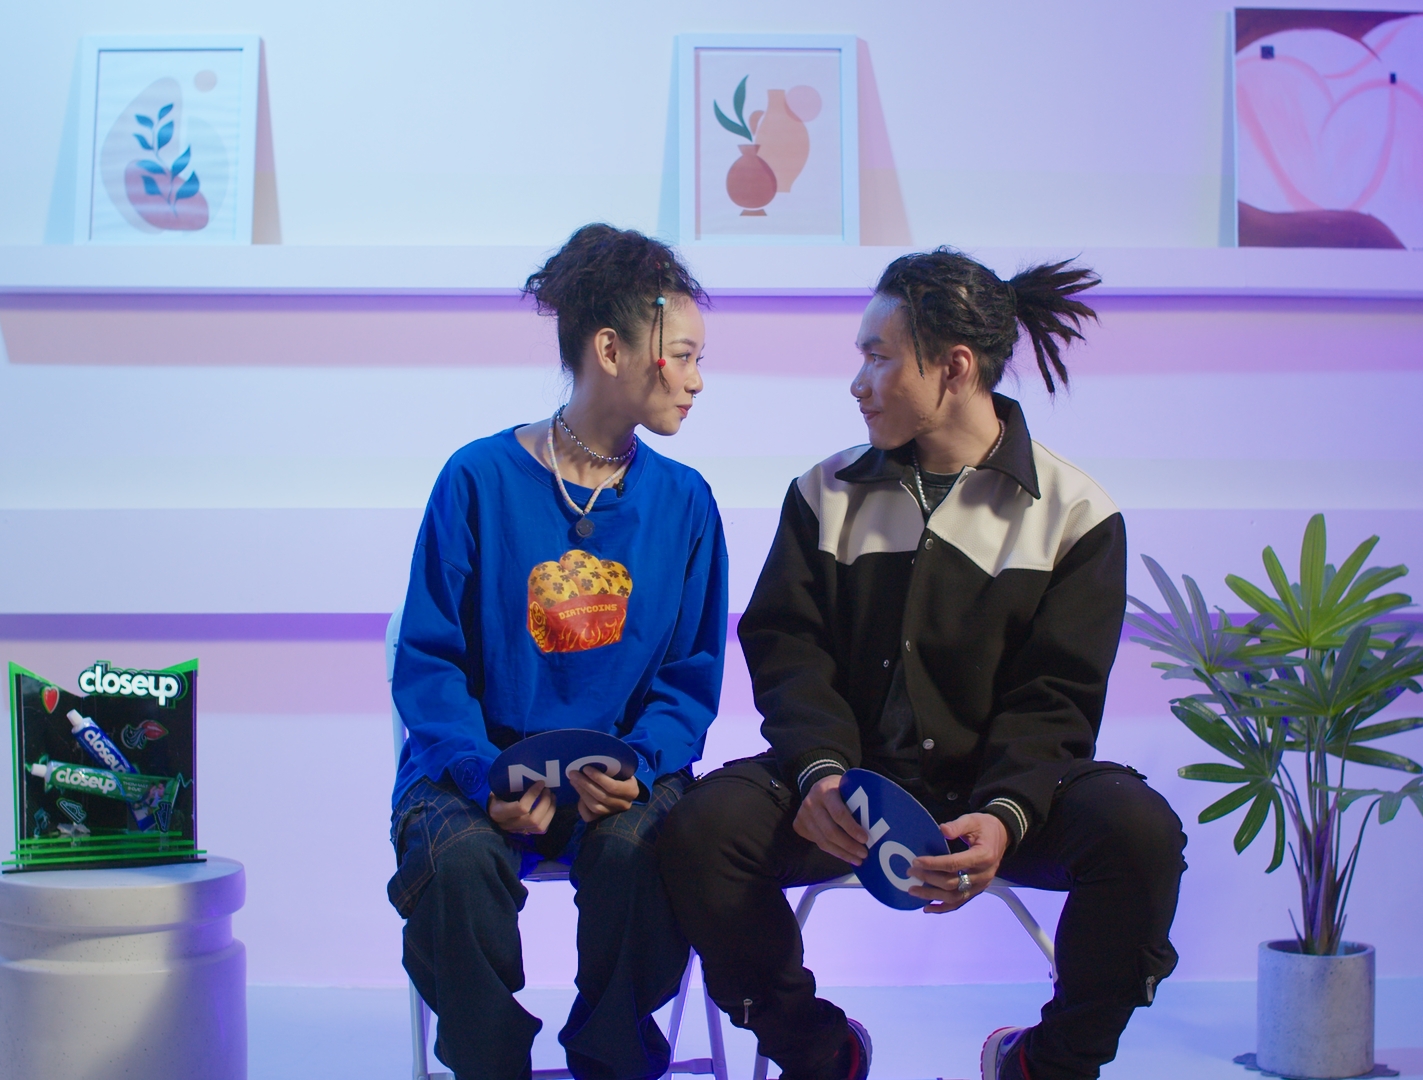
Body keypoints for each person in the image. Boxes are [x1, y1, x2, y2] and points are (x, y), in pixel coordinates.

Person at [657, 248, 1186, 1080]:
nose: (858, 382)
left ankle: (1046, 1066)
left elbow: (1057, 698)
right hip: (848, 791)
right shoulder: (824, 492)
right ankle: (820, 1054)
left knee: (1140, 832)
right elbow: (789, 651)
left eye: (878, 357)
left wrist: (1005, 814)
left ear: (954, 368)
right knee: (701, 829)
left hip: (1001, 795)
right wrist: (821, 772)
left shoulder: (1078, 514)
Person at [387, 224, 729, 1080]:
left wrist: (638, 764)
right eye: (683, 356)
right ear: (611, 350)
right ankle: (490, 1065)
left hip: (624, 778)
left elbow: (690, 679)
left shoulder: (687, 504)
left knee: (638, 857)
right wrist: (484, 776)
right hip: (472, 769)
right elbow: (429, 662)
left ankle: (612, 1059)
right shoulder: (477, 479)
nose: (697, 379)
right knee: (458, 865)